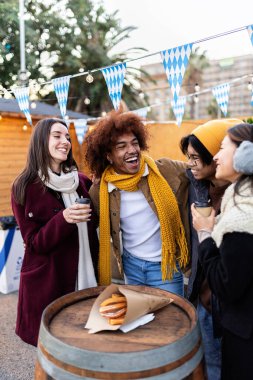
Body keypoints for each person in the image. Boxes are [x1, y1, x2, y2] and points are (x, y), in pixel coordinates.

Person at [11, 118, 99, 346]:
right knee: (54, 348)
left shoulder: (81, 181)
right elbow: (33, 243)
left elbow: (96, 221)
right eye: (57, 136)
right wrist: (63, 219)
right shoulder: (24, 186)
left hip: (85, 274)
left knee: (84, 341)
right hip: (49, 280)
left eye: (67, 137)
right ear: (42, 141)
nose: (65, 141)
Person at [85, 109, 189, 296]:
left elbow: (198, 171)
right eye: (121, 146)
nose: (132, 150)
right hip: (131, 267)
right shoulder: (101, 189)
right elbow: (86, 223)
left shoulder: (163, 170)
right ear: (108, 155)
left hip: (165, 267)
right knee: (139, 320)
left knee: (172, 322)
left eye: (134, 143)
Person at [180, 118, 242, 380]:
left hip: (230, 299)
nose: (191, 164)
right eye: (188, 157)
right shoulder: (197, 185)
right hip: (202, 292)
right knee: (206, 359)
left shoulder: (240, 196)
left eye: (196, 157)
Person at [191, 122, 253, 380]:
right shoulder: (240, 199)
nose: (216, 156)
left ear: (244, 155)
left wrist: (205, 234)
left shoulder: (243, 216)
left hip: (245, 335)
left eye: (222, 148)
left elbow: (226, 285)